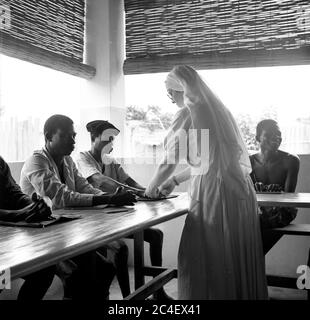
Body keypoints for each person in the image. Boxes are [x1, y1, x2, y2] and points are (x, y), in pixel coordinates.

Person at [146, 65, 268, 299]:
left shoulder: (188, 113)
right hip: (239, 192)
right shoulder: (216, 112)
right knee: (232, 252)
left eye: (170, 91)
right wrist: (173, 181)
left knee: (201, 254)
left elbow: (169, 160)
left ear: (181, 88)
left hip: (214, 194)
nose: (169, 97)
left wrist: (149, 190)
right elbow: (206, 161)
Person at [20, 114, 136, 300]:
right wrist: (111, 199)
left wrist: (112, 197)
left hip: (65, 231)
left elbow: (86, 188)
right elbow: (62, 198)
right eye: (66, 136)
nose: (73, 140)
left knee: (105, 269)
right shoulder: (36, 161)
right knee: (76, 275)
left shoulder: (68, 161)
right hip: (39, 237)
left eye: (74, 136)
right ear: (49, 136)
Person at [75, 120, 172, 300]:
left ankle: (158, 292)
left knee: (156, 235)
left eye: (113, 139)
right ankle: (129, 300)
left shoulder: (111, 161)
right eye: (108, 138)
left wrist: (150, 191)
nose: (111, 143)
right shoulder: (83, 158)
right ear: (94, 137)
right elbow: (100, 180)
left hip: (113, 219)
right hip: (92, 224)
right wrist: (132, 192)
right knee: (120, 250)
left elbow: (130, 182)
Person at [0, 155, 55, 300]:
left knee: (43, 269)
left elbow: (15, 195)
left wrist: (35, 204)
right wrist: (19, 214)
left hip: (4, 246)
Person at [250, 119, 300, 254]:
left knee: (254, 247)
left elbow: (289, 198)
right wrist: (258, 189)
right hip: (259, 212)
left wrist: (279, 192)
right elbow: (248, 194)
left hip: (281, 212)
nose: (276, 137)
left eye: (278, 134)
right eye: (269, 134)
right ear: (257, 138)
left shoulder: (291, 161)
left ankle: (251, 261)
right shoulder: (249, 162)